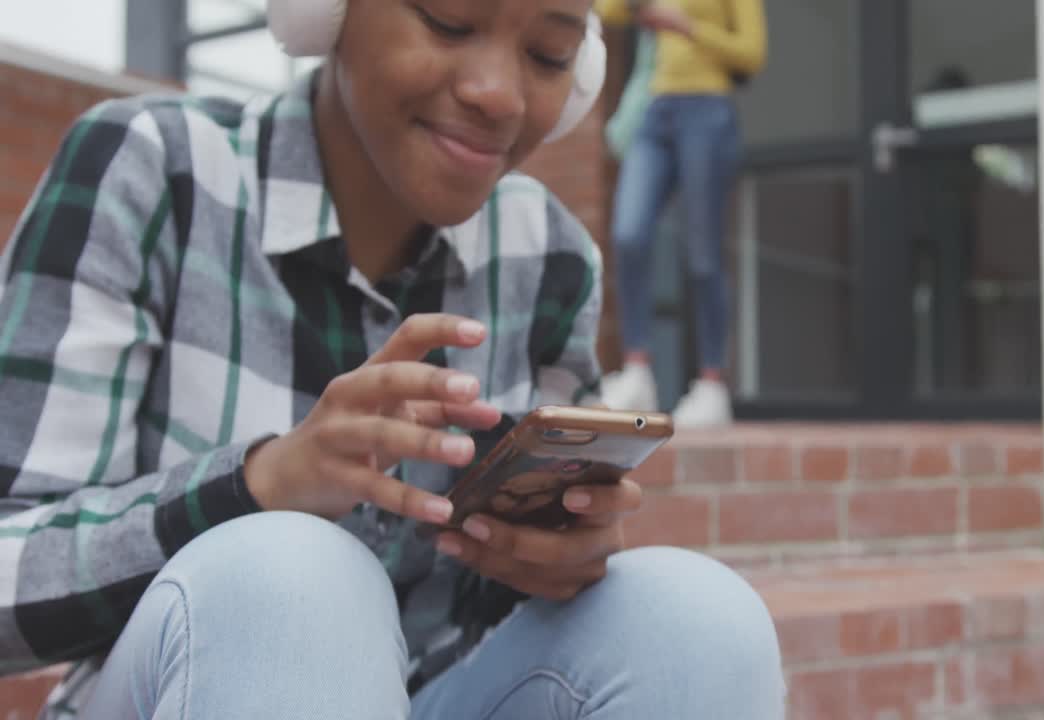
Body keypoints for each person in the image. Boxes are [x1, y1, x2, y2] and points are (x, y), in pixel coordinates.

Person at [0, 0, 784, 717]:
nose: (500, 94)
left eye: (547, 55)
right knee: (294, 580)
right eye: (448, 20)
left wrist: (558, 562)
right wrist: (256, 487)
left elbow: (516, 623)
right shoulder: (152, 169)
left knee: (698, 621)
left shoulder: (550, 254)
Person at [595, 0, 767, 428]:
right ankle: (637, 370)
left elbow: (751, 53)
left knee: (704, 254)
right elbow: (607, 11)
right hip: (655, 111)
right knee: (628, 233)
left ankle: (711, 383)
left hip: (707, 110)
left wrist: (686, 27)